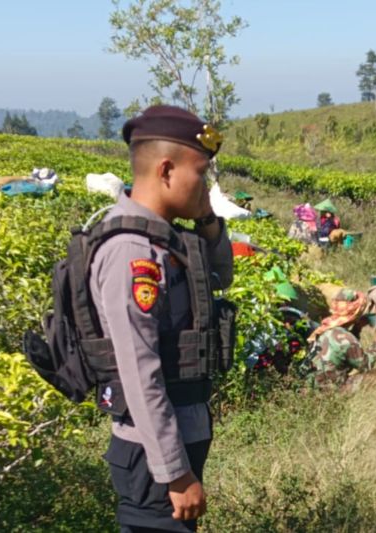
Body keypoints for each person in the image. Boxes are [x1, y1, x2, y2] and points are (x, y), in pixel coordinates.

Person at [90, 105, 233, 532]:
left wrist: (207, 217)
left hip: (175, 442)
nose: (205, 184)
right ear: (167, 170)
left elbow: (221, 275)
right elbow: (139, 371)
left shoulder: (168, 236)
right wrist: (175, 471)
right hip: (154, 461)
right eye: (201, 173)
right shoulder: (132, 252)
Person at [304, 289, 376, 390]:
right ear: (355, 311)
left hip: (309, 384)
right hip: (329, 389)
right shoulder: (347, 339)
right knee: (375, 377)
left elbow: (342, 347)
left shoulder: (324, 327)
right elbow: (366, 365)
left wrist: (357, 328)